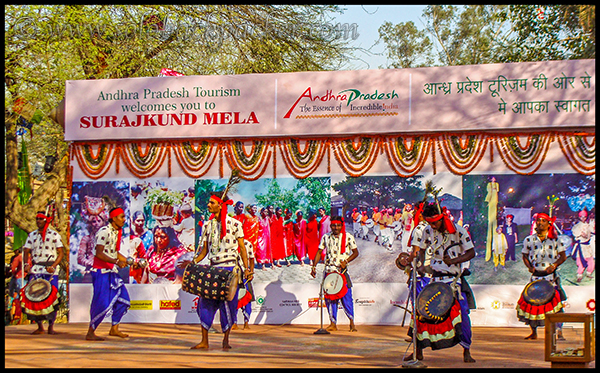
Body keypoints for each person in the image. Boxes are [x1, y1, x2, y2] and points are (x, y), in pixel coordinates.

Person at [179, 191, 250, 350]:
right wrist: (193, 262)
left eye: (212, 202)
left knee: (229, 305)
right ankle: (204, 341)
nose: (208, 205)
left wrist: (247, 269)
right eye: (209, 202)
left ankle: (226, 340)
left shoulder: (235, 224)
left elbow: (242, 249)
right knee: (205, 303)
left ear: (220, 205)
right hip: (213, 269)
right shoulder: (207, 225)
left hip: (231, 268)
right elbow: (204, 250)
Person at [411, 202, 476, 363]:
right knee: (421, 313)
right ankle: (417, 351)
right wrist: (421, 265)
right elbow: (422, 248)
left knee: (462, 315)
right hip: (435, 279)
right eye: (429, 222)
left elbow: (471, 252)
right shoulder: (427, 230)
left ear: (442, 218)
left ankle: (466, 350)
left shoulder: (459, 231)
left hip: (453, 281)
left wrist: (454, 260)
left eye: (435, 222)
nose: (432, 225)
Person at [517, 212, 567, 340]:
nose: (539, 223)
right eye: (538, 220)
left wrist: (554, 265)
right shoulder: (529, 240)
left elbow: (563, 256)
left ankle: (559, 331)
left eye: (543, 221)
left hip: (550, 277)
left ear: (549, 224)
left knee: (556, 306)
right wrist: (529, 267)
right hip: (536, 277)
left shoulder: (556, 240)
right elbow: (524, 255)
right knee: (533, 304)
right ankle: (534, 332)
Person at [86, 207, 131, 341]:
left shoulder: (116, 233)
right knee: (101, 303)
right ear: (114, 218)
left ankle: (114, 328)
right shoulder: (104, 232)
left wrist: (130, 261)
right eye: (121, 217)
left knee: (124, 300)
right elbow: (98, 253)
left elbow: (115, 253)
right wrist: (116, 261)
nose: (124, 219)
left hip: (111, 272)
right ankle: (90, 332)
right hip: (101, 272)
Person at [310, 216, 359, 332]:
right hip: (329, 271)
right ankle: (333, 323)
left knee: (346, 298)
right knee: (330, 299)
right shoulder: (326, 237)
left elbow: (356, 252)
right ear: (330, 226)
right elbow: (319, 251)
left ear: (341, 226)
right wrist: (314, 266)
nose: (336, 227)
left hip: (342, 272)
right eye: (333, 225)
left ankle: (352, 323)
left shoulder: (348, 237)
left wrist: (346, 261)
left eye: (338, 225)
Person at [21, 211, 65, 335]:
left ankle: (51, 326)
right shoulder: (32, 235)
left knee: (52, 298)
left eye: (41, 219)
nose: (38, 221)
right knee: (33, 298)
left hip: (50, 271)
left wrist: (53, 266)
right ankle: (40, 326)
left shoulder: (54, 235)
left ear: (46, 220)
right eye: (37, 219)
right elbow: (26, 251)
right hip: (36, 269)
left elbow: (60, 252)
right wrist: (25, 264)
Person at [571, 209, 595, 282]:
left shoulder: (588, 225)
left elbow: (592, 231)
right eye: (581, 217)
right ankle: (579, 275)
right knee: (580, 262)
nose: (583, 218)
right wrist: (581, 234)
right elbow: (575, 233)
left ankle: (589, 273)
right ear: (579, 217)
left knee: (591, 261)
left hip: (587, 247)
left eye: (584, 217)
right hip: (580, 247)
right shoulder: (576, 226)